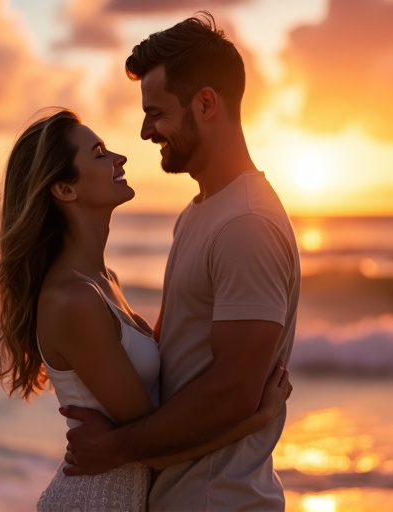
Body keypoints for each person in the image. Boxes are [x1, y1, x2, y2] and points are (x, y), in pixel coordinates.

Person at [0, 107, 292, 511]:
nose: (119, 158)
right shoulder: (73, 299)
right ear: (65, 189)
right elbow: (152, 449)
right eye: (100, 153)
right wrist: (258, 420)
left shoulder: (105, 282)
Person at [61, 11, 301, 512]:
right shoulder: (200, 213)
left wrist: (113, 448)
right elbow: (175, 360)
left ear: (206, 104)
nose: (146, 131)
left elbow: (232, 392)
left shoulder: (245, 225)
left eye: (156, 112)